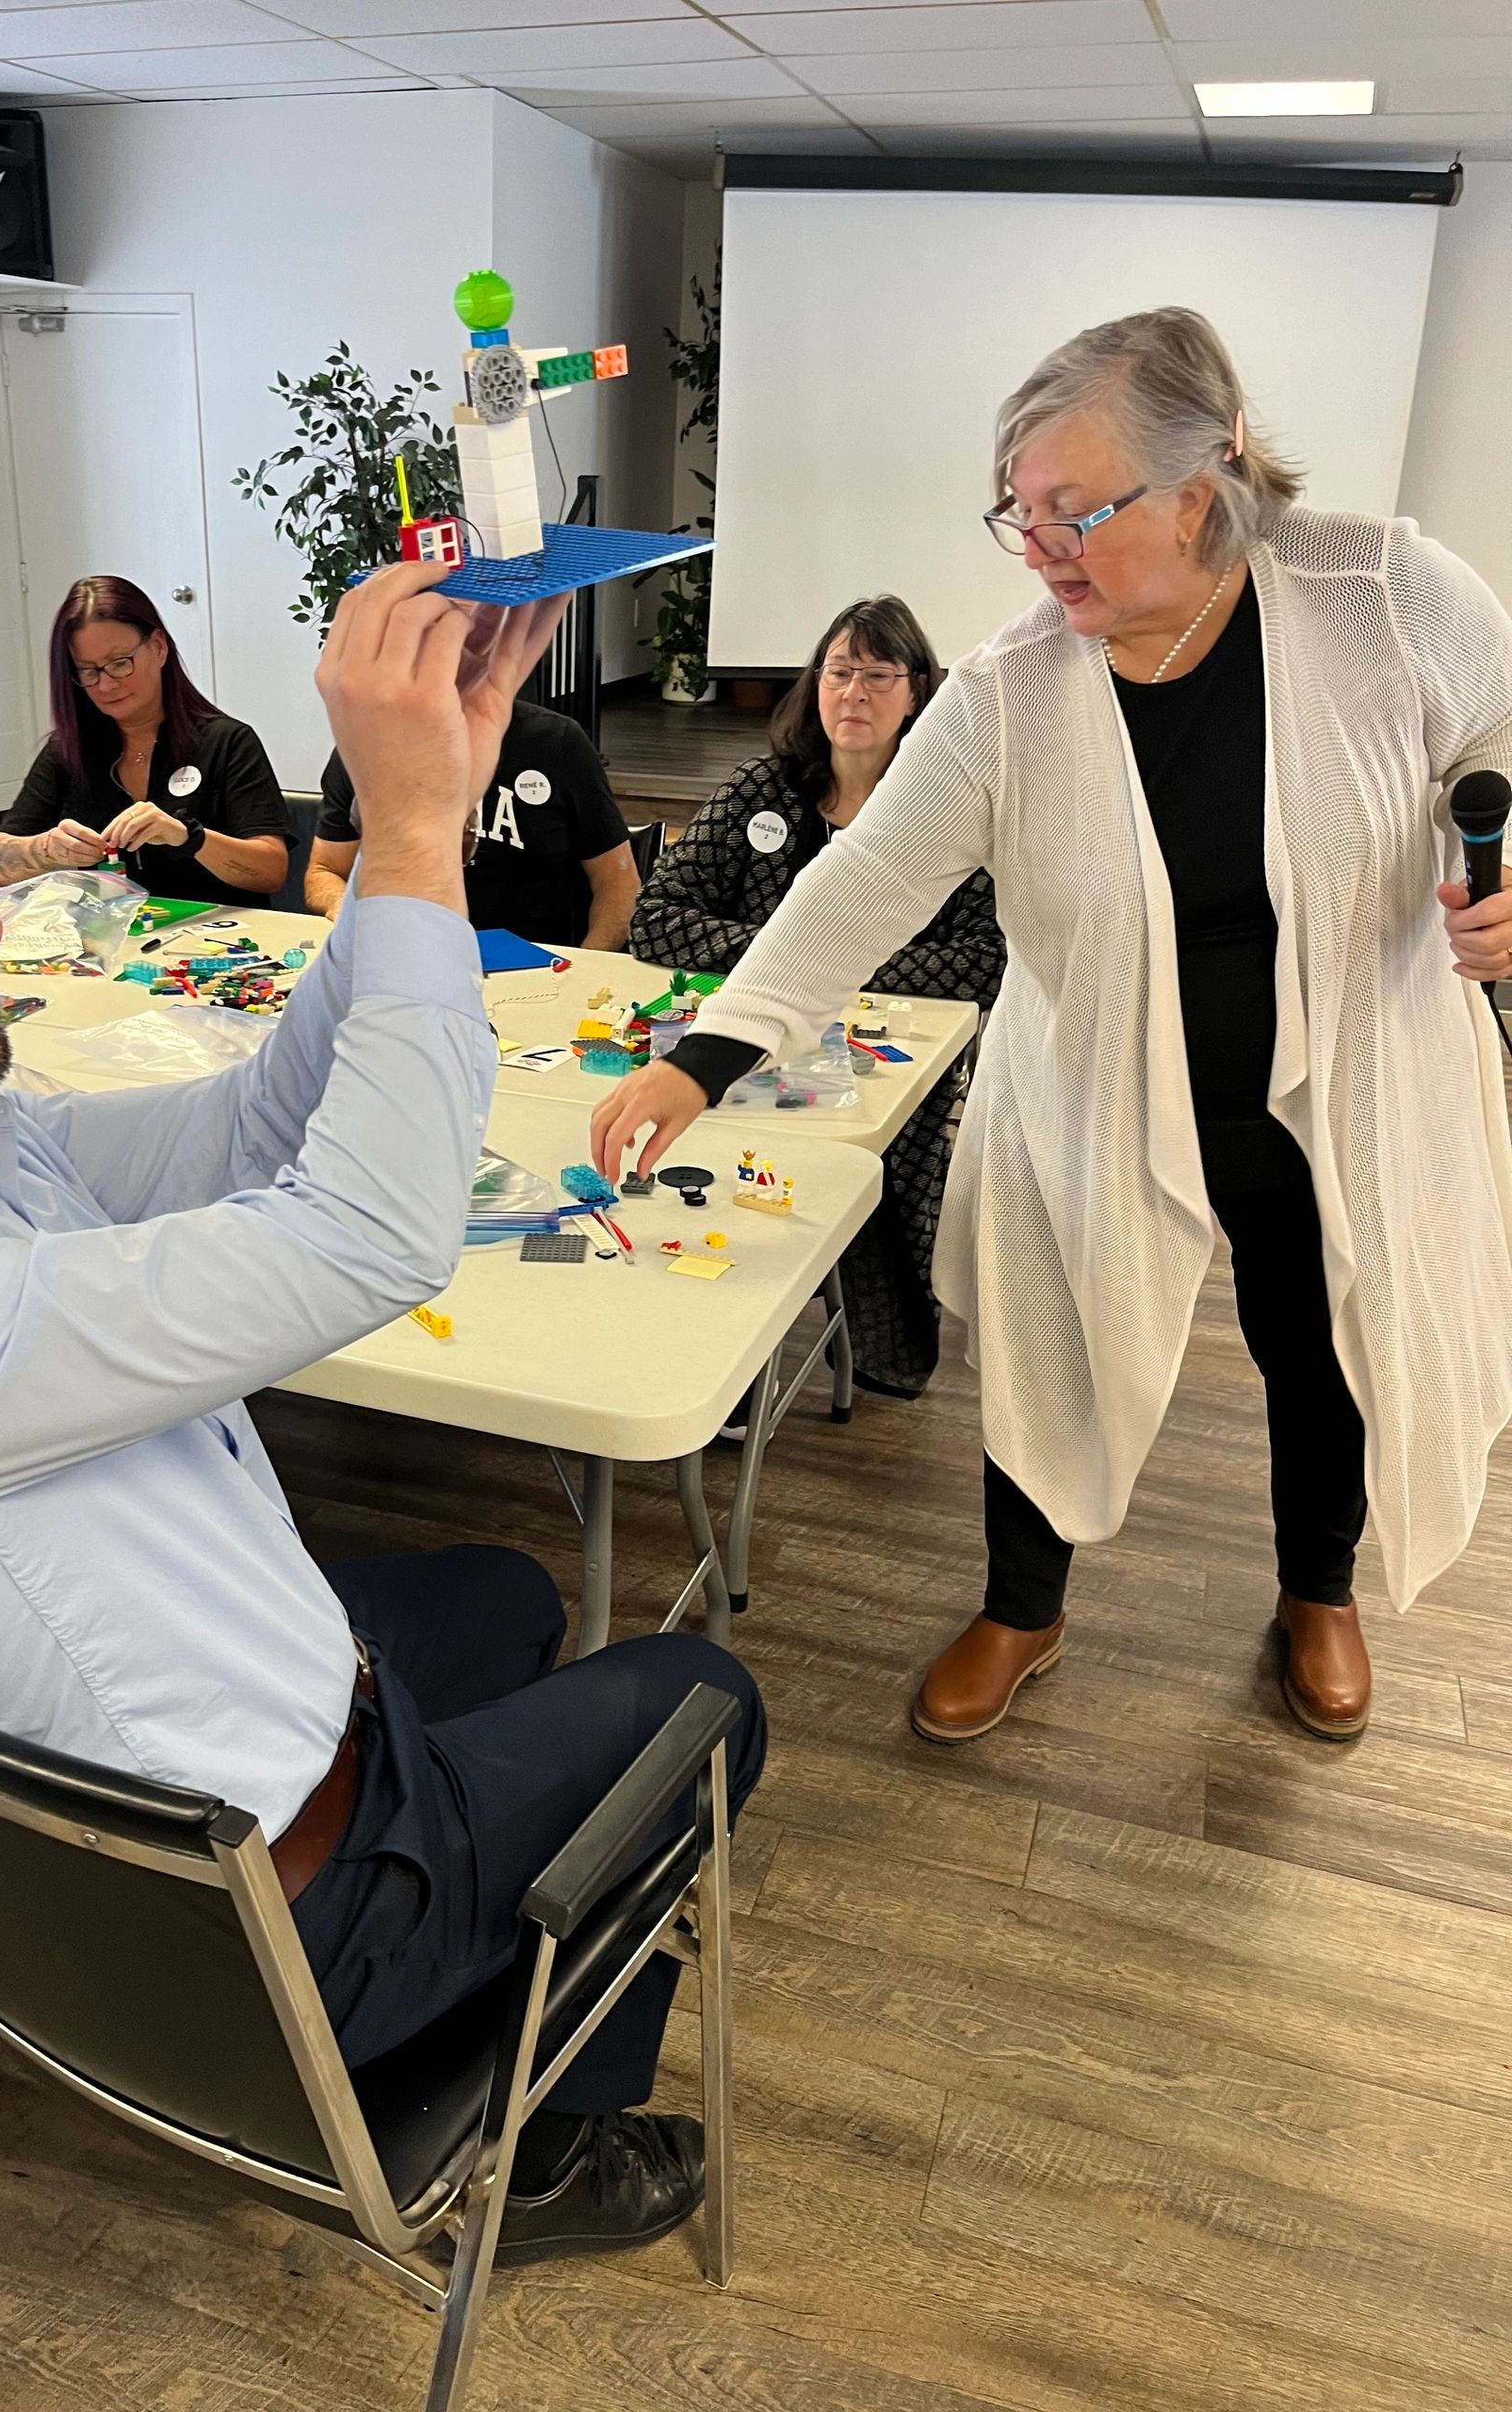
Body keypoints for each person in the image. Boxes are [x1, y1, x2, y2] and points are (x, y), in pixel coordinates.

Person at [0, 568, 767, 2261]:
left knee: (507, 1592)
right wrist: (412, 837)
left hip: (165, 1769)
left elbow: (251, 1130)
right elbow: (361, 1230)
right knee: (702, 1695)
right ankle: (536, 2162)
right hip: (238, 1928)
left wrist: (418, 834)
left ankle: (471, 1902)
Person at [593, 305, 1512, 1749]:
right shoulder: (1015, 690)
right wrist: (706, 1054)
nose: (1039, 551)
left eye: (1074, 513)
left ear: (1207, 482)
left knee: (1319, 1331)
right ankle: (1024, 1605)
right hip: (1093, 1082)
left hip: (1335, 1078)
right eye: (1018, 514)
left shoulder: (1382, 589)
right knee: (1051, 1335)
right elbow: (873, 876)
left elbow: (1502, 732)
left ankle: (1317, 1591)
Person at [629, 595, 1003, 1399]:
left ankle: (885, 1350)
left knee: (887, 1152)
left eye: (877, 676)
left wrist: (823, 969)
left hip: (894, 1052)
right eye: (839, 673)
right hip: (739, 1043)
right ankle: (696, 1334)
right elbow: (654, 920)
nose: (854, 695)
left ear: (917, 692)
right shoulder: (762, 788)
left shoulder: (949, 806)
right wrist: (783, 973)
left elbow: (985, 963)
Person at [0, 577, 292, 906]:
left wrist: (188, 837)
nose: (105, 686)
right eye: (89, 671)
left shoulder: (226, 742)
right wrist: (47, 849)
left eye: (120, 664)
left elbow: (271, 870)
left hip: (217, 944)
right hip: (113, 940)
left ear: (159, 648)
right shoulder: (68, 751)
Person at [309, 690, 642, 949]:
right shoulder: (366, 745)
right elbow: (325, 870)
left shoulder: (556, 743)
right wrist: (344, 909)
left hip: (537, 964)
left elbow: (617, 882)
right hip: (405, 956)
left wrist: (587, 965)